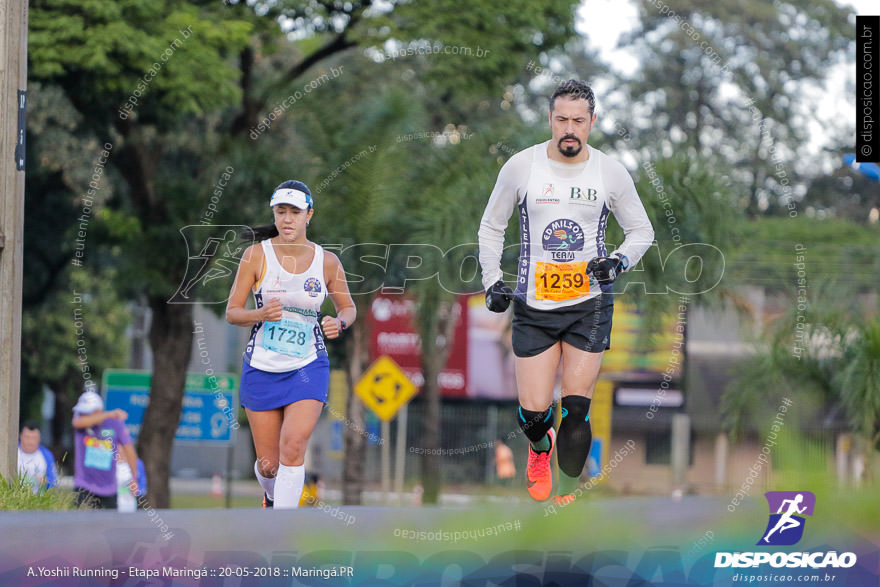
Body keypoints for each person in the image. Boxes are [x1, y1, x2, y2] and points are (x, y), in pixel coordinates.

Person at [478, 80, 654, 504]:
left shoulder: (609, 171)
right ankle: (540, 449)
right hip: (534, 305)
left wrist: (617, 261)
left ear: (592, 121)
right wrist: (491, 280)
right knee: (535, 414)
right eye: (561, 120)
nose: (569, 129)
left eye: (578, 120)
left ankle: (568, 495)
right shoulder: (522, 167)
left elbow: (641, 230)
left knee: (577, 405)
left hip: (589, 304)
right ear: (550, 120)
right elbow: (491, 226)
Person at [226, 180, 355, 509]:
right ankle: (271, 496)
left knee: (293, 447)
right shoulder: (256, 256)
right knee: (269, 465)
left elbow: (348, 308)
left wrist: (338, 322)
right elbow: (232, 312)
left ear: (309, 215)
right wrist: (259, 313)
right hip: (262, 367)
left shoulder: (326, 262)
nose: (287, 218)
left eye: (294, 212)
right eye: (281, 211)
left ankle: (280, 530)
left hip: (308, 365)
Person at [71, 386, 139, 509]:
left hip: (109, 488)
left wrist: (134, 477)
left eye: (86, 412)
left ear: (98, 410)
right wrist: (109, 414)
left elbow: (130, 451)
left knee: (110, 525)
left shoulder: (114, 424)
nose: (83, 415)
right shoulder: (80, 422)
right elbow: (77, 423)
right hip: (84, 485)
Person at [17, 421, 58, 494]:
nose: (30, 441)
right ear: (20, 436)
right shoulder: (13, 452)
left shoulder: (46, 455)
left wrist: (46, 482)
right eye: (27, 437)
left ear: (39, 438)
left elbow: (54, 482)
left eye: (34, 438)